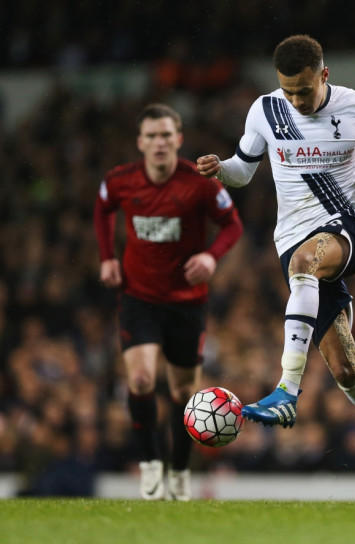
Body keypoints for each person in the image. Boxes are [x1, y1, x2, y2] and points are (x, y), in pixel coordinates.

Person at [196, 34, 355, 504]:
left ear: (324, 76)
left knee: (307, 262)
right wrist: (219, 168)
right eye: (287, 91)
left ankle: (286, 389)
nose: (295, 100)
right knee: (348, 372)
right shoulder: (265, 111)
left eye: (304, 91)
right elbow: (243, 170)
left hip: (347, 229)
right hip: (290, 242)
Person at [94, 103, 243, 500]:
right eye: (152, 135)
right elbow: (103, 208)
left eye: (166, 135)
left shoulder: (199, 181)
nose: (159, 142)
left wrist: (211, 256)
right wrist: (107, 256)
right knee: (140, 379)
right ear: (140, 142)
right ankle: (150, 464)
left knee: (182, 394)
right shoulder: (120, 180)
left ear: (178, 140)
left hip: (187, 302)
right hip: (138, 297)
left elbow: (232, 224)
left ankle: (179, 469)